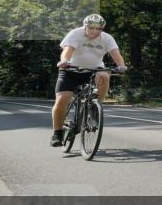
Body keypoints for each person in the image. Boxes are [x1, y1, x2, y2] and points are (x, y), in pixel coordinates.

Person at [50, 14, 127, 146]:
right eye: (91, 28)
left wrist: (121, 66)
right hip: (71, 70)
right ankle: (57, 133)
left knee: (104, 75)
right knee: (62, 99)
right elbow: (67, 50)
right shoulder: (75, 34)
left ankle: (95, 109)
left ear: (102, 28)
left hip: (93, 70)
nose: (95, 31)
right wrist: (64, 61)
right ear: (85, 26)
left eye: (99, 29)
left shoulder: (107, 38)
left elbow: (116, 54)